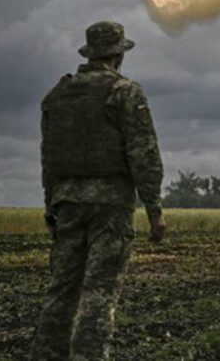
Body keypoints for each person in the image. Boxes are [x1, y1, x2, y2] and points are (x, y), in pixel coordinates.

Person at [30, 21, 166, 361]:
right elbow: (143, 153)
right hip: (110, 205)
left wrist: (51, 206)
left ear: (90, 53)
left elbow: (49, 157)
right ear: (119, 54)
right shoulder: (125, 91)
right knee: (99, 293)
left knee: (61, 291)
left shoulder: (57, 96)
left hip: (67, 202)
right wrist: (154, 209)